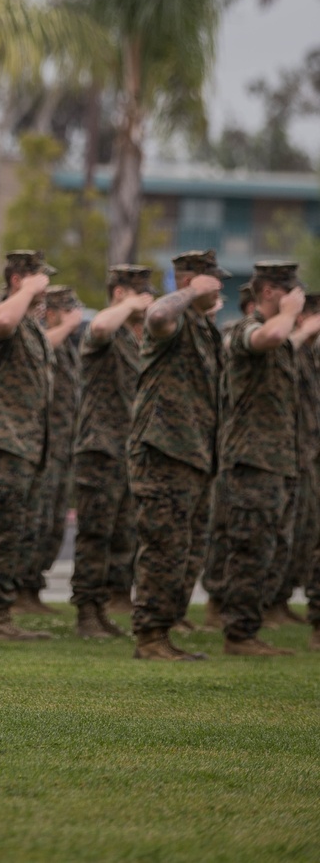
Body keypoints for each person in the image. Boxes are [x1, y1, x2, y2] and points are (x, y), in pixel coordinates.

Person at [218, 262, 320, 655]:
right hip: (251, 461)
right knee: (250, 548)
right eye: (289, 291)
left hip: (278, 462)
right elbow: (272, 336)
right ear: (268, 293)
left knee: (270, 550)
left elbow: (286, 343)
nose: (296, 298)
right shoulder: (246, 331)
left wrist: (302, 328)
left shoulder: (281, 341)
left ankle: (249, 629)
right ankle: (238, 635)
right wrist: (294, 315)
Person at [129, 250, 225, 661]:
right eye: (212, 281)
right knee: (164, 546)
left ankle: (164, 630)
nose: (219, 287)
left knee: (186, 550)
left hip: (195, 454)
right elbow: (156, 317)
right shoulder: (172, 319)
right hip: (163, 450)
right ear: (193, 281)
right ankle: (150, 637)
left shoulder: (203, 328)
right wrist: (187, 292)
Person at [0, 249, 55, 642]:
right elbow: (1, 320)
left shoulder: (32, 325)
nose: (48, 285)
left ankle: (2, 612)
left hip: (26, 443)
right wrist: (26, 289)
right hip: (5, 441)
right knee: (1, 531)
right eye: (42, 278)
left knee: (15, 531)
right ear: (20, 280)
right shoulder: (10, 314)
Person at [71, 265, 154, 639]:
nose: (148, 298)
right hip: (99, 448)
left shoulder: (136, 337)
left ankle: (101, 606)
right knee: (94, 535)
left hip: (126, 449)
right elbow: (100, 326)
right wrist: (130, 304)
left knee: (119, 535)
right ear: (120, 293)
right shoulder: (106, 330)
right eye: (140, 292)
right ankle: (86, 612)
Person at [18, 284, 82, 614]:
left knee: (53, 522)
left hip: (61, 443)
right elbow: (45, 346)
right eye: (68, 311)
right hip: (40, 442)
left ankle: (33, 587)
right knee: (35, 518)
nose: (76, 317)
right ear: (54, 313)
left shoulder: (68, 345)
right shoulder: (42, 338)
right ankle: (21, 589)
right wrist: (68, 325)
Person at [263, 292, 320, 627]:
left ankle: (280, 602)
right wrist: (302, 331)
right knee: (282, 534)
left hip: (307, 456)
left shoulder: (309, 355)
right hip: (284, 457)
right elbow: (278, 349)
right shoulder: (283, 346)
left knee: (302, 536)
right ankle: (269, 604)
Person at [202, 282, 255, 628]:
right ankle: (217, 602)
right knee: (224, 528)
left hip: (220, 443)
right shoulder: (236, 336)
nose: (219, 305)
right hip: (226, 446)